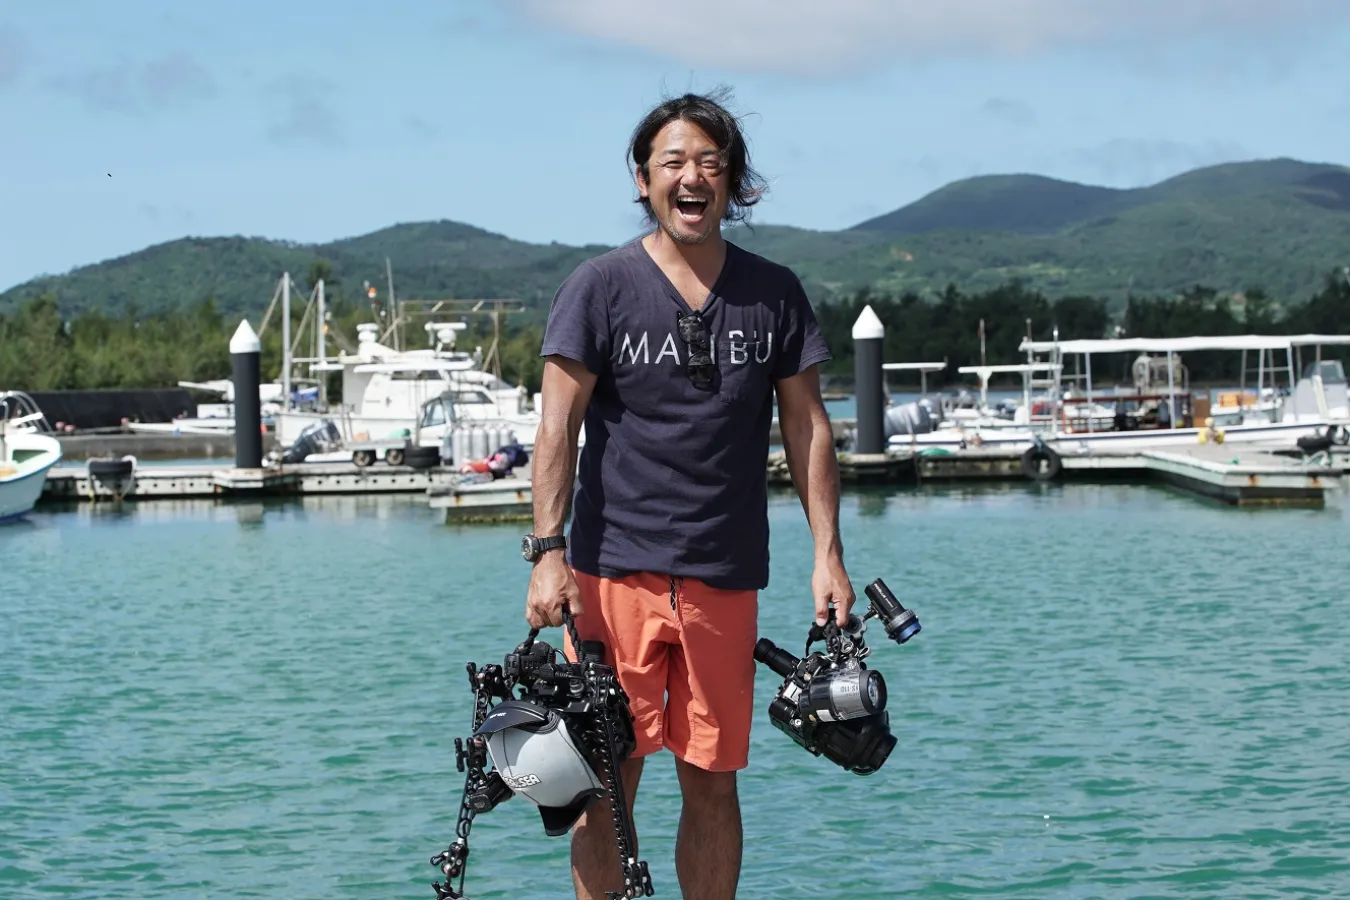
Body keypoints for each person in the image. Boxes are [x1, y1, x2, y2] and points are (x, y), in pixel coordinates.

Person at [522, 88, 854, 900]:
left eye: (710, 161)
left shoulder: (773, 292)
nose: (691, 176)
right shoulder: (598, 287)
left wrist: (829, 557)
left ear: (734, 182)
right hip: (609, 576)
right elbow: (557, 426)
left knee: (713, 779)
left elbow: (808, 428)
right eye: (673, 161)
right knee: (607, 784)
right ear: (644, 179)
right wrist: (545, 554)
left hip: (723, 573)